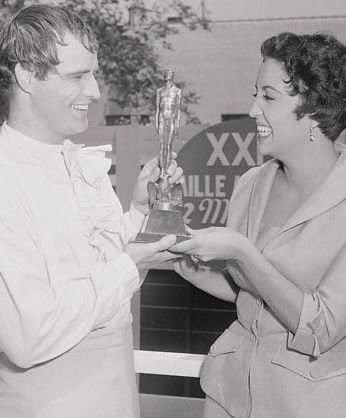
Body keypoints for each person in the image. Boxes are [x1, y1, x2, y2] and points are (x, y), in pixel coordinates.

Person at [0, 4, 182, 418]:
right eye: (78, 76)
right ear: (27, 76)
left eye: (93, 74)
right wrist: (129, 265)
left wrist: (140, 215)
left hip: (115, 397)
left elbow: (103, 279)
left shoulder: (80, 163)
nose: (96, 91)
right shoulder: (4, 177)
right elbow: (29, 336)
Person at [171, 32, 346, 418]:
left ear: (316, 111)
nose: (252, 110)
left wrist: (242, 253)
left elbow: (322, 329)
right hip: (226, 397)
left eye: (268, 97)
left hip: (309, 406)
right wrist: (193, 270)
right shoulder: (250, 184)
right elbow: (251, 297)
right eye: (256, 94)